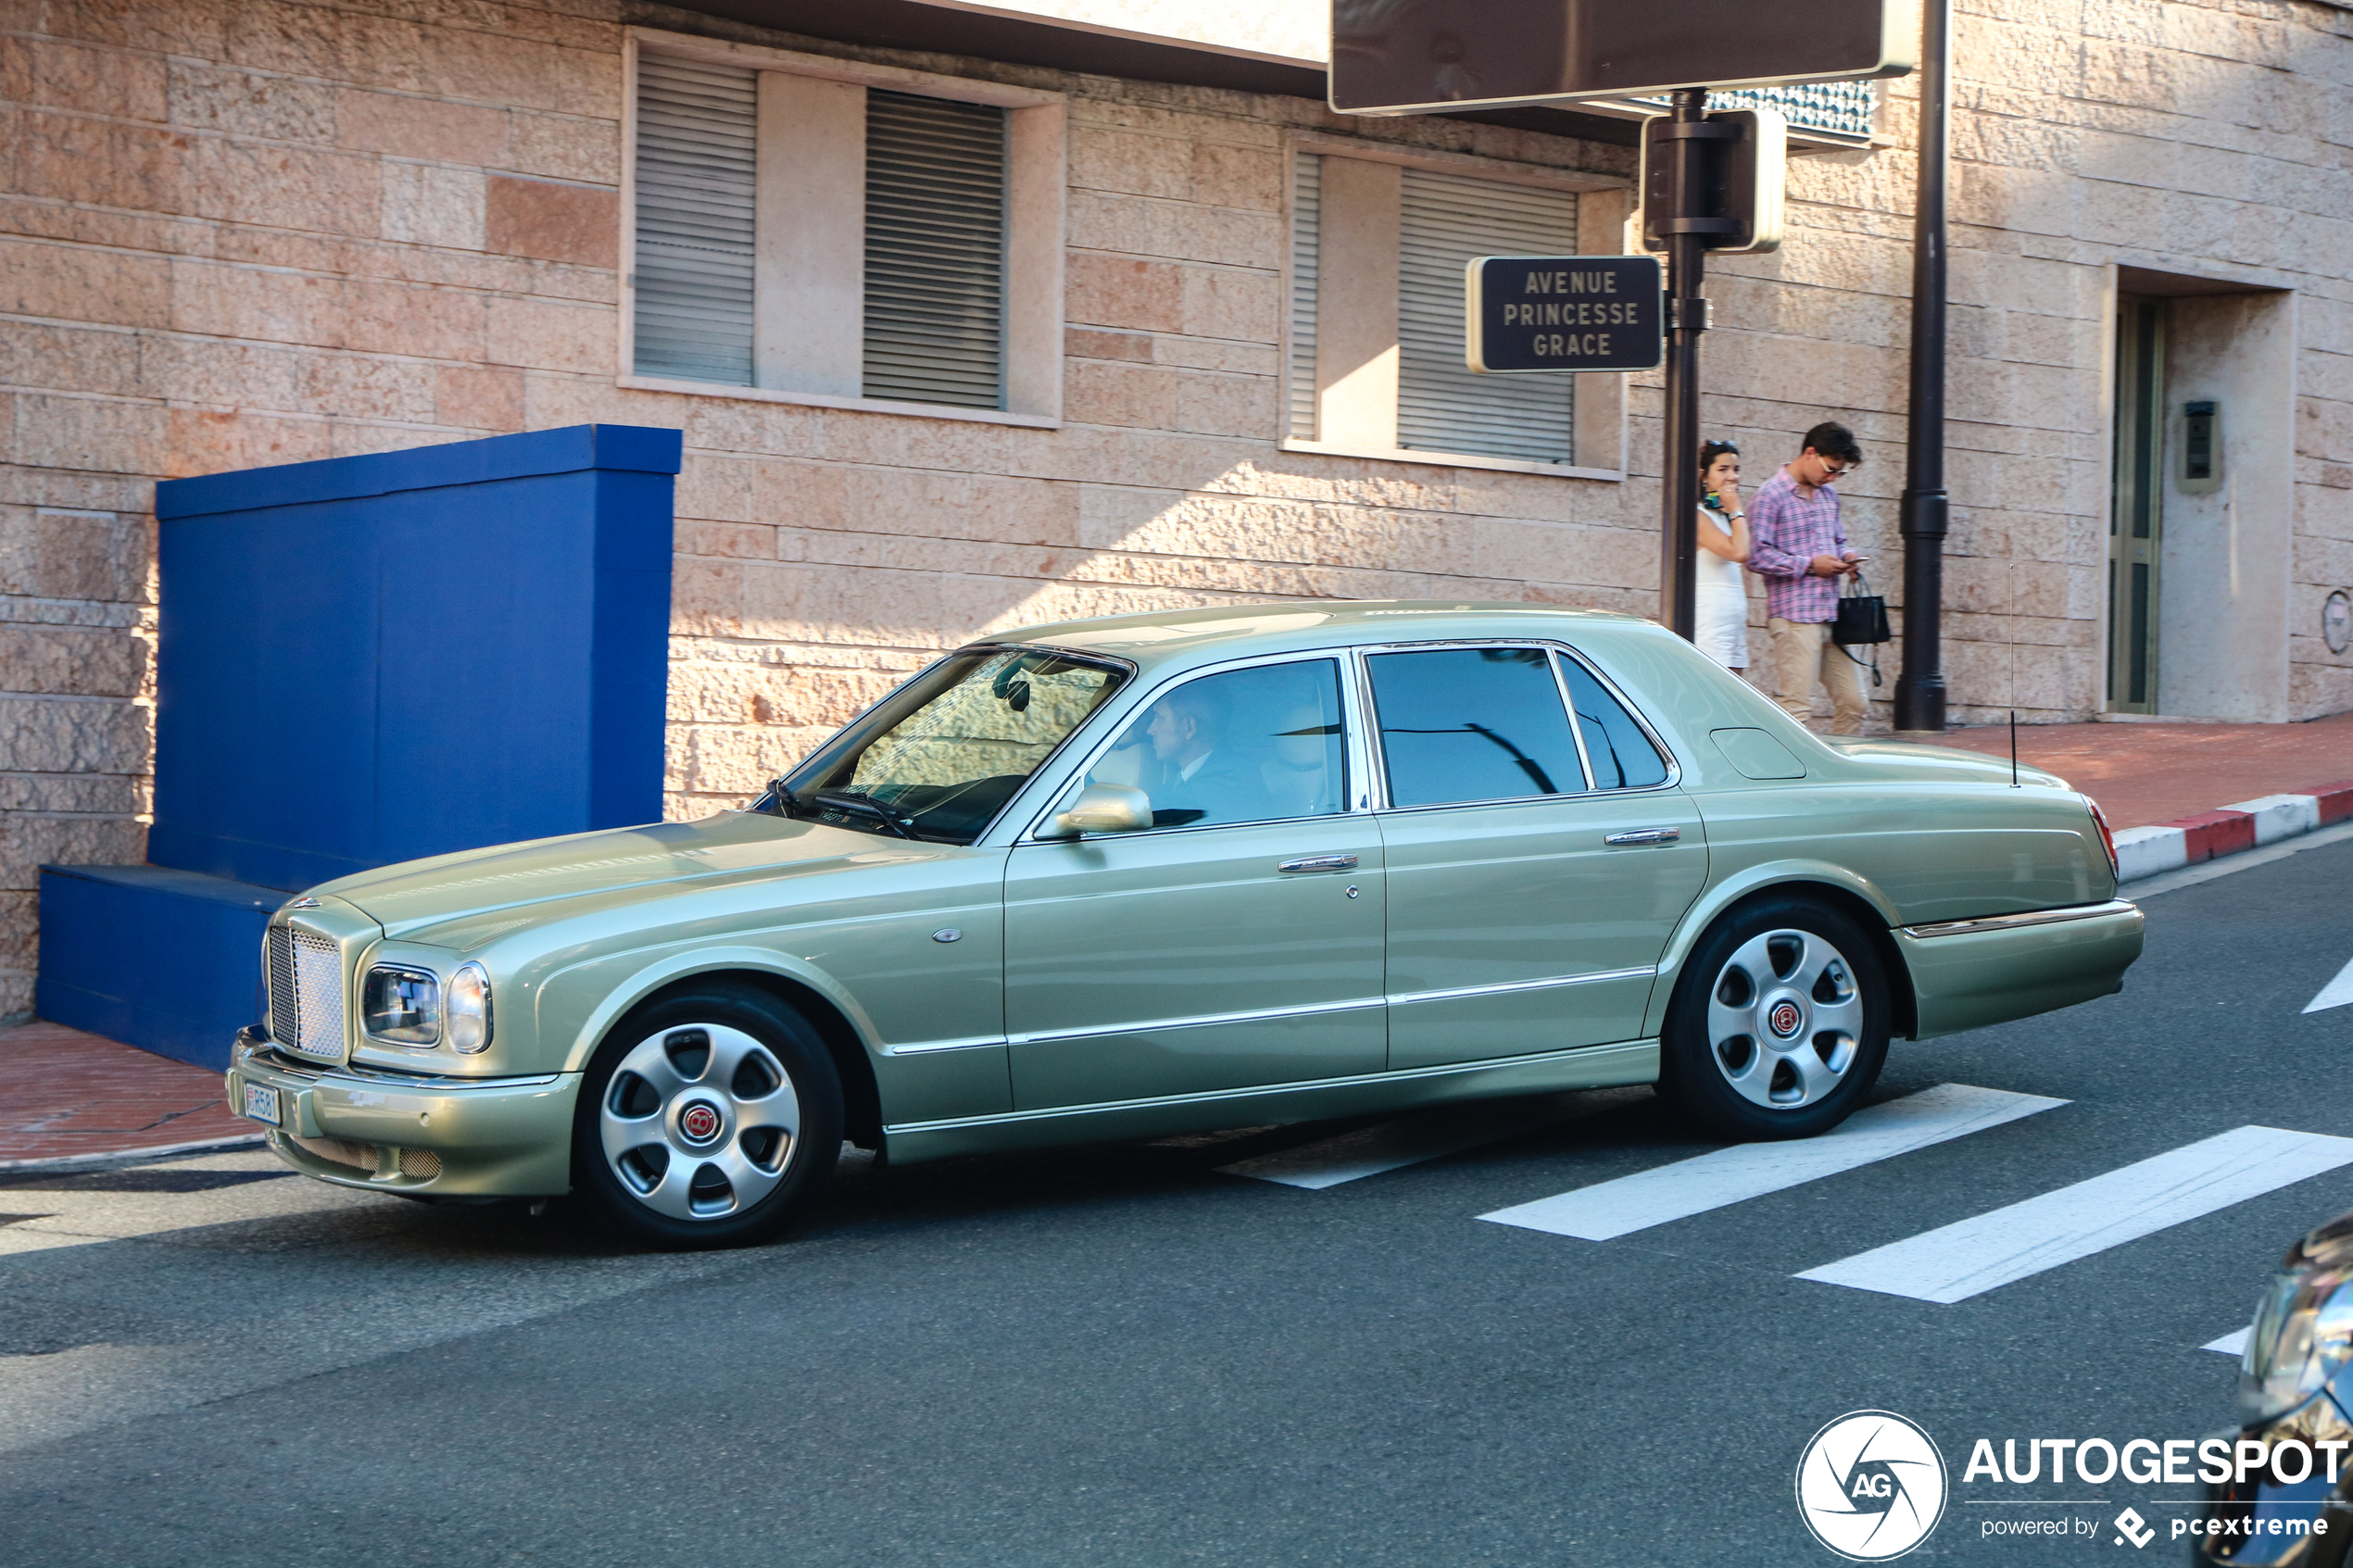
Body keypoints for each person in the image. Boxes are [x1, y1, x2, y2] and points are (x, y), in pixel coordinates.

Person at [1746, 420, 1869, 734]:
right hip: (1794, 616)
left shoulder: (1828, 496)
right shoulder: (1770, 495)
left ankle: (1840, 775)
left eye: (1840, 473)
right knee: (1797, 709)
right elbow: (1756, 556)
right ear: (1810, 453)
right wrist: (1811, 565)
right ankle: (1793, 781)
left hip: (1831, 615)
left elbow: (1838, 540)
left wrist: (1848, 557)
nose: (1832, 478)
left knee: (1855, 703)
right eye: (1830, 469)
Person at [1692, 439, 1752, 673]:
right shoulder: (1697, 515)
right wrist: (1736, 508)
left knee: (1734, 689)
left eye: (1736, 470)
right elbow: (1739, 552)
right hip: (1711, 619)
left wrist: (1733, 511)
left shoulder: (1726, 515)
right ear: (1704, 476)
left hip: (1733, 617)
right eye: (1723, 469)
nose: (1732, 476)